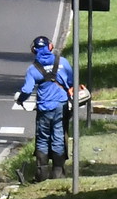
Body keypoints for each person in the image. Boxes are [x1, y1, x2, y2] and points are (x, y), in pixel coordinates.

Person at [14, 36, 76, 180]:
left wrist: (20, 100)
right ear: (50, 47)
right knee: (59, 136)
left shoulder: (33, 69)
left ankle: (42, 173)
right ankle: (58, 172)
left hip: (44, 107)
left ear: (34, 51)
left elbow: (27, 90)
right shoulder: (63, 62)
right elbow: (72, 82)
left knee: (42, 138)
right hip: (61, 105)